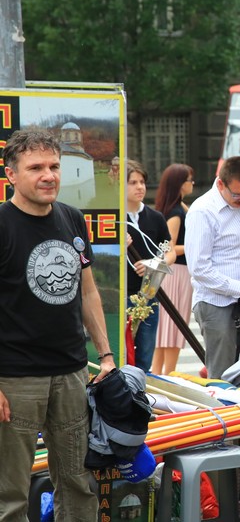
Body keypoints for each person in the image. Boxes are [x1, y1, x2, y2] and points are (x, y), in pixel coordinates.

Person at [0, 128, 115, 520]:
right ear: (11, 174)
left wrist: (106, 355)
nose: (48, 175)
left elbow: (87, 291)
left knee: (79, 484)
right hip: (15, 380)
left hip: (71, 373)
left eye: (54, 166)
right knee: (9, 495)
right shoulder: (2, 225)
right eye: (36, 168)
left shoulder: (72, 218)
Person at [185, 156, 240, 380]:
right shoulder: (202, 211)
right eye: (237, 195)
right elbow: (199, 269)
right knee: (222, 375)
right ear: (220, 184)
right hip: (217, 301)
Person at [126, 159, 175, 373]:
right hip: (122, 295)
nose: (140, 187)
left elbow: (170, 252)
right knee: (123, 353)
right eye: (133, 182)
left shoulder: (155, 217)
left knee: (145, 355)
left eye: (142, 182)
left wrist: (152, 264)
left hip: (148, 294)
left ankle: (141, 389)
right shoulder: (114, 219)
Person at [151, 163, 194, 375]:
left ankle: (158, 374)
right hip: (176, 271)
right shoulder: (176, 213)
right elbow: (168, 247)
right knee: (172, 328)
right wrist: (193, 246)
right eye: (189, 180)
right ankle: (168, 374)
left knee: (167, 330)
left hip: (175, 271)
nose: (192, 183)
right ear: (180, 184)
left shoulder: (178, 208)